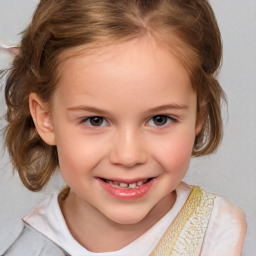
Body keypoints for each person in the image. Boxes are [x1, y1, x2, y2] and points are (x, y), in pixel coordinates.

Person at [0, 0, 247, 255]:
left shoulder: (216, 230)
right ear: (46, 118)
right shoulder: (30, 247)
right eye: (95, 120)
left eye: (160, 119)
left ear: (199, 115)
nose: (128, 156)